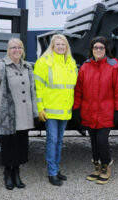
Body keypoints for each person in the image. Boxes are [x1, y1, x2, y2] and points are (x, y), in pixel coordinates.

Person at [73, 36, 118, 184]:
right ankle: (96, 167)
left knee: (102, 140)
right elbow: (78, 91)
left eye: (101, 48)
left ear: (106, 49)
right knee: (94, 141)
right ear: (92, 50)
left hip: (105, 112)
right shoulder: (85, 66)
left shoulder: (113, 66)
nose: (98, 50)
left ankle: (106, 166)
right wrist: (76, 109)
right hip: (89, 112)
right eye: (95, 47)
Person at [0, 38, 38, 190]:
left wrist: (33, 110)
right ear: (8, 50)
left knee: (21, 145)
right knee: (8, 145)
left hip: (24, 115)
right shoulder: (1, 66)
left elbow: (32, 91)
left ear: (23, 50)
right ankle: (8, 173)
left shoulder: (28, 66)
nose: (16, 50)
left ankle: (17, 172)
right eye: (13, 47)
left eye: (19, 47)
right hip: (7, 115)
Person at [33, 34, 77, 187]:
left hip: (64, 110)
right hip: (50, 111)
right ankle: (52, 173)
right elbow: (38, 88)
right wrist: (40, 109)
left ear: (67, 47)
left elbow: (70, 88)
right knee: (52, 141)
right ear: (52, 46)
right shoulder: (44, 63)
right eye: (57, 44)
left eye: (63, 44)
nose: (60, 47)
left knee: (59, 141)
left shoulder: (71, 63)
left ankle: (57, 170)